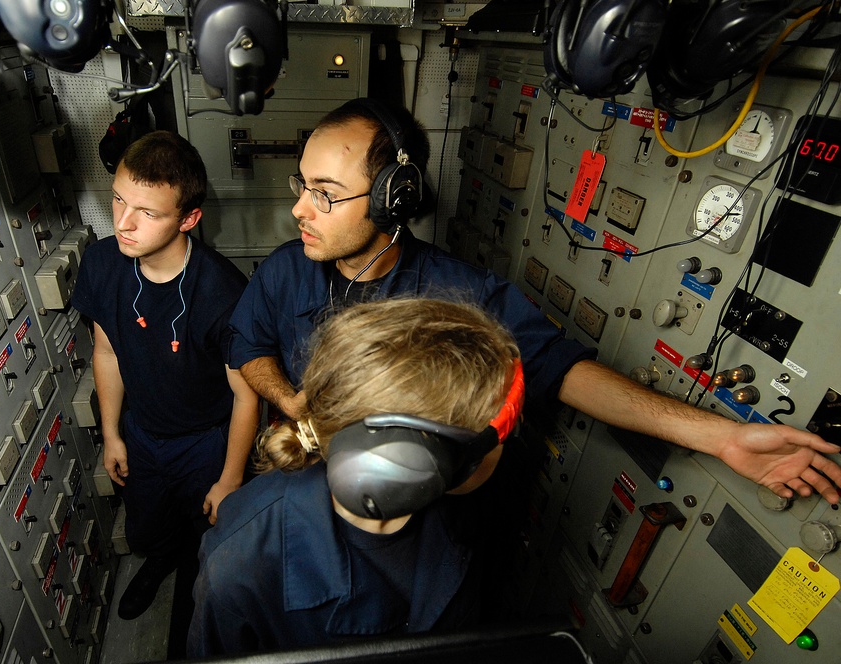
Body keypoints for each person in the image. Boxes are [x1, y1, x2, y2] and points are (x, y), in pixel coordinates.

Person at [228, 97, 841, 505]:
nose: (299, 209)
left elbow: (566, 372)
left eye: (325, 193)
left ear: (395, 197)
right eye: (301, 185)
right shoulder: (286, 271)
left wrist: (719, 438)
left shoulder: (458, 295)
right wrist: (295, 401)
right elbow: (249, 347)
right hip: (298, 494)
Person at [189, 298, 526, 656]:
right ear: (407, 459)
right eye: (499, 429)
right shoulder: (237, 564)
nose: (509, 439)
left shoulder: (468, 505)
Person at [71, 131, 259, 636]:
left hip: (207, 442)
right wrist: (112, 433)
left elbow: (247, 394)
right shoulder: (102, 263)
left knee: (212, 536)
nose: (123, 223)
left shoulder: (224, 291)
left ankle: (201, 589)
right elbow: (107, 351)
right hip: (142, 432)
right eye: (118, 200)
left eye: (147, 213)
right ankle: (159, 565)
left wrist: (231, 477)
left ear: (188, 219)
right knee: (149, 527)